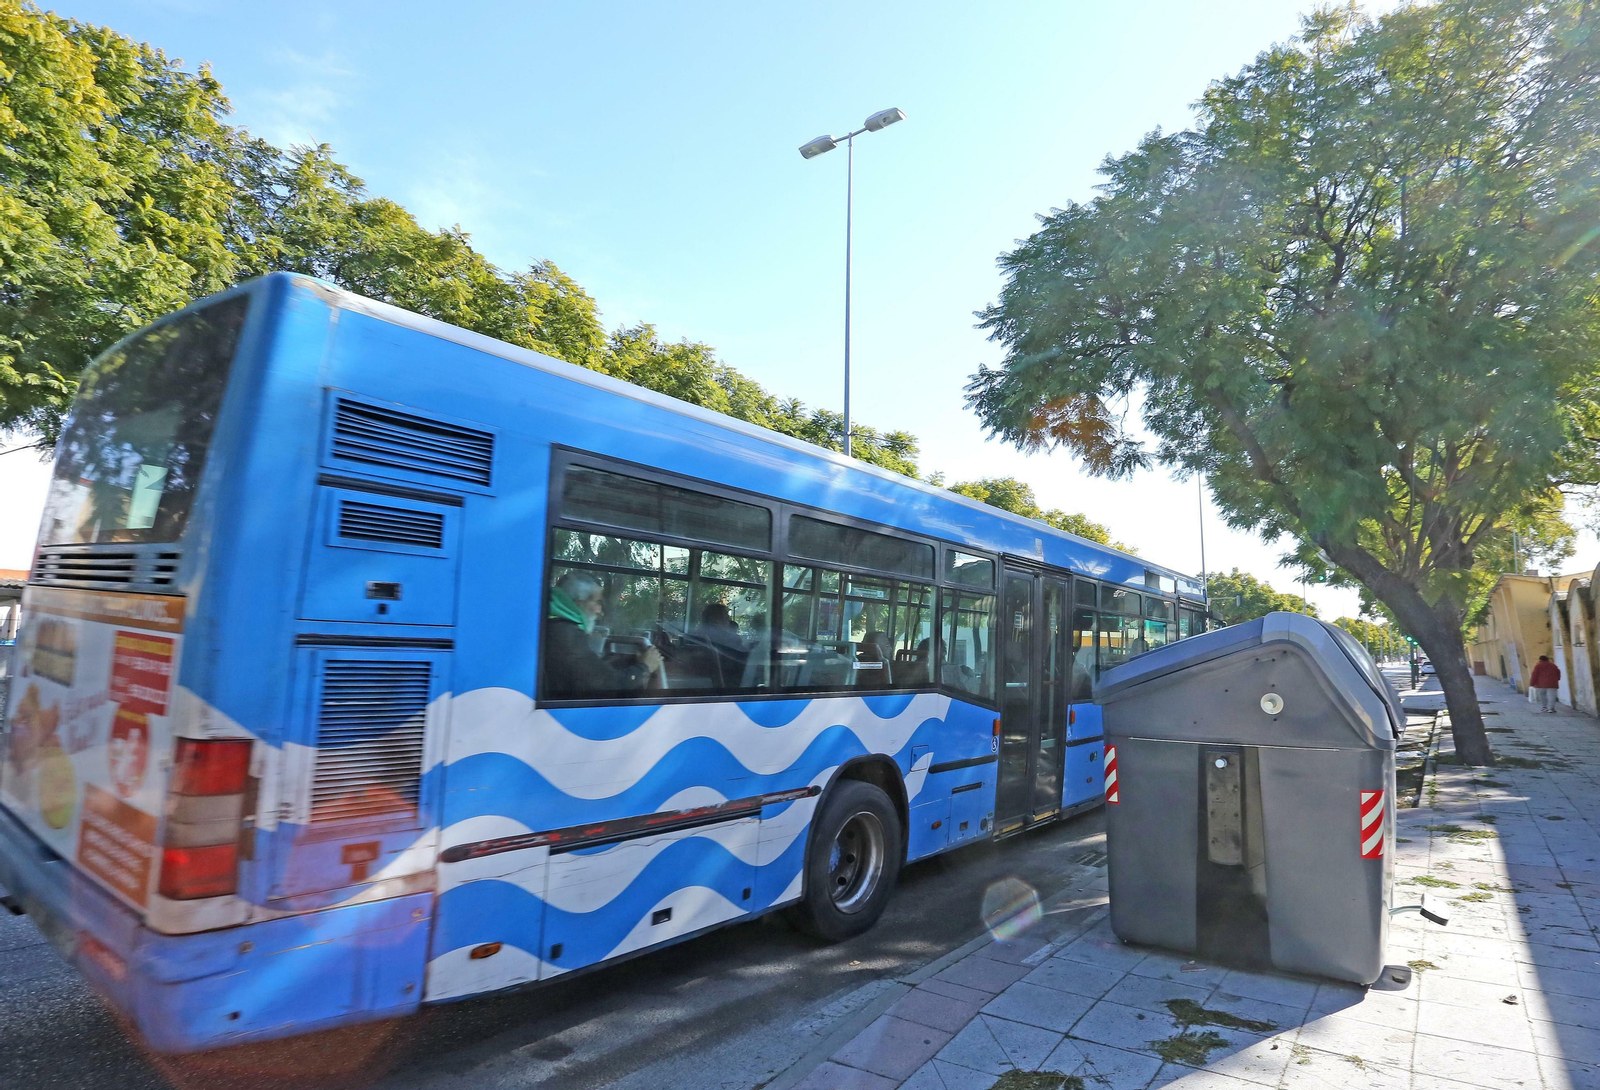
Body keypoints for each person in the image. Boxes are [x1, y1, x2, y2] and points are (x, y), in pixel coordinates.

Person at [545, 572, 661, 697]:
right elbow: (608, 686)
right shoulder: (566, 635)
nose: (600, 611)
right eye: (597, 602)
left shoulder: (553, 625)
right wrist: (645, 667)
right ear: (578, 602)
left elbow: (585, 671)